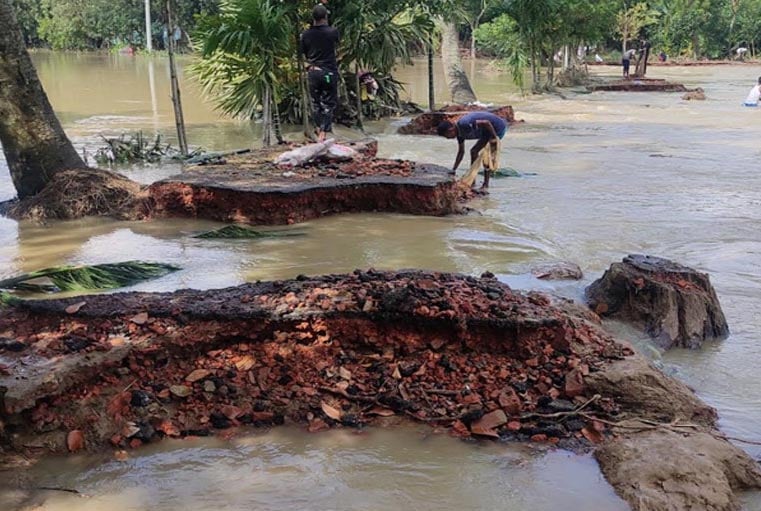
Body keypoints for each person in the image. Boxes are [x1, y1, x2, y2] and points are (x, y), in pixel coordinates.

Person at [437, 111, 508, 189]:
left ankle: (485, 185)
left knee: (485, 155)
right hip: (486, 131)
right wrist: (454, 169)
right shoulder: (460, 135)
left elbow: (486, 122)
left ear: (451, 129)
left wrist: (494, 137)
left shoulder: (464, 124)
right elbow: (461, 152)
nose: (447, 138)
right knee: (474, 152)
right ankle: (472, 180)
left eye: (446, 136)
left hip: (497, 128)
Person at [300, 4, 340, 141]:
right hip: (328, 73)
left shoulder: (305, 34)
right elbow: (336, 45)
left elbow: (304, 53)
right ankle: (323, 133)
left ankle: (318, 129)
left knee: (316, 103)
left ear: (313, 18)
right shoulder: (332, 32)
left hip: (313, 72)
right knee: (328, 103)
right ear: (325, 17)